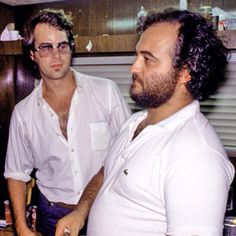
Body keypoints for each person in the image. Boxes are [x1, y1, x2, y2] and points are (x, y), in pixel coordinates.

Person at [56, 8, 235, 236]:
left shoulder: (197, 156)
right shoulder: (137, 120)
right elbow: (107, 173)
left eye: (148, 59)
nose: (134, 67)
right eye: (137, 55)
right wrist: (80, 212)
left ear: (185, 72)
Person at [4, 8, 130, 236]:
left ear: (71, 47)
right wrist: (21, 228)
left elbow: (129, 152)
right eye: (45, 47)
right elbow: (16, 173)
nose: (56, 55)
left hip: (107, 208)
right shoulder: (23, 114)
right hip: (53, 214)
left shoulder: (106, 92)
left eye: (62, 45)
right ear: (32, 53)